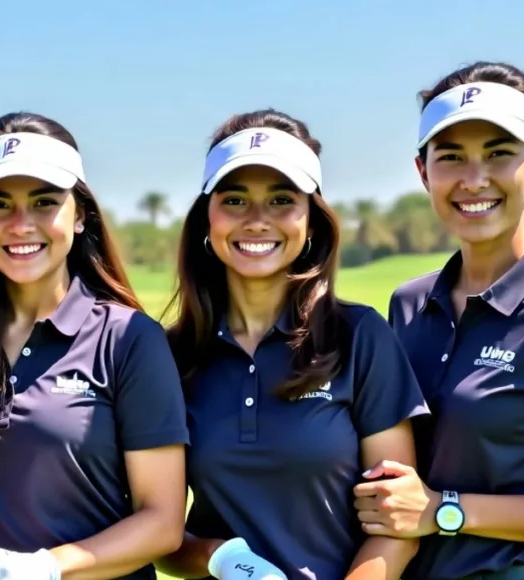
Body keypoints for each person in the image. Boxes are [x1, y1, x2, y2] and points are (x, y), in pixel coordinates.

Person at [156, 110, 430, 580]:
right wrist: (219, 559)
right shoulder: (170, 356)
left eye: (282, 200)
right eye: (236, 199)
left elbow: (397, 525)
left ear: (312, 220)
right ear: (208, 216)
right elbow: (158, 532)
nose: (258, 221)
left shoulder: (359, 337)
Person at [0, 111, 189, 580]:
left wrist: (46, 567)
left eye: (44, 202)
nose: (21, 224)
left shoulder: (129, 339)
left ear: (80, 215)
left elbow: (162, 523)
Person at [354, 62, 524, 580]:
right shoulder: (407, 304)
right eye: (451, 157)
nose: (473, 179)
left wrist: (444, 511)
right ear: (423, 171)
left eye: (499, 154)